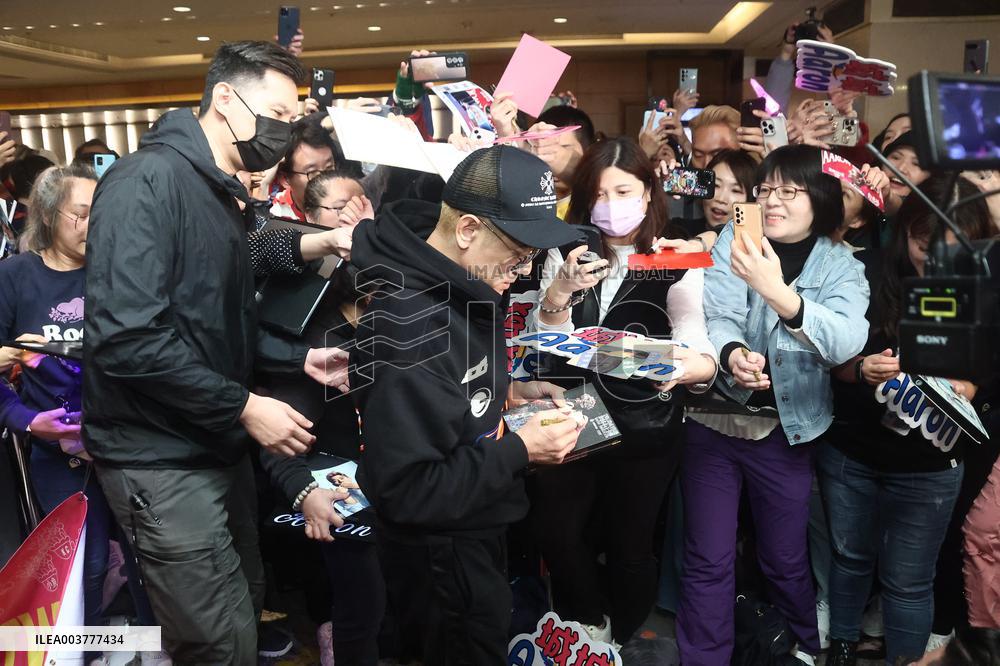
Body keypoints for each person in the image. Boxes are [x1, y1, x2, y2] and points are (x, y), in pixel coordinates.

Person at [83, 41, 347, 663]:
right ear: (225, 99)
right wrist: (243, 407)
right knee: (211, 640)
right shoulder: (146, 183)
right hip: (160, 454)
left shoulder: (215, 189)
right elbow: (127, 339)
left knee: (241, 612)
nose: (284, 132)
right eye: (276, 113)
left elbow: (216, 321)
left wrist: (292, 361)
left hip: (211, 446)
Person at [349, 145, 586, 664]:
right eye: (519, 254)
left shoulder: (465, 282)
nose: (523, 273)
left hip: (476, 524)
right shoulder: (407, 324)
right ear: (467, 230)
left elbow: (454, 386)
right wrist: (521, 449)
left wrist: (508, 395)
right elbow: (407, 491)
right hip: (439, 558)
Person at [679, 144, 870, 666]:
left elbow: (847, 342)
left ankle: (804, 651)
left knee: (784, 558)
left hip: (787, 431)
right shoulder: (734, 239)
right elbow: (718, 314)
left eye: (791, 190)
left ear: (822, 199)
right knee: (707, 557)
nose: (774, 200)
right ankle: (704, 658)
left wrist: (777, 292)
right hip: (714, 421)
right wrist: (732, 352)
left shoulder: (841, 267)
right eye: (767, 189)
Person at [529, 137, 719, 647]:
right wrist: (560, 292)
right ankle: (587, 627)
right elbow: (544, 339)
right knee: (559, 531)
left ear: (649, 191)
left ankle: (623, 640)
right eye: (599, 194)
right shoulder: (566, 247)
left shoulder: (673, 252)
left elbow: (693, 335)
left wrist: (693, 365)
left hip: (646, 419)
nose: (612, 205)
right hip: (574, 410)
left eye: (624, 191)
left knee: (631, 542)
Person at [820, 175, 994, 666]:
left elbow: (990, 371)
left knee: (908, 580)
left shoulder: (986, 291)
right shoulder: (864, 273)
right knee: (850, 561)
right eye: (923, 245)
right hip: (853, 450)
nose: (935, 261)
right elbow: (826, 355)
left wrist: (967, 388)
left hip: (931, 466)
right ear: (904, 233)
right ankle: (844, 646)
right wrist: (860, 369)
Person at [270, 114, 356, 220]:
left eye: (329, 168)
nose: (325, 181)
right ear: (285, 179)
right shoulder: (278, 215)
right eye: (312, 172)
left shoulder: (351, 209)